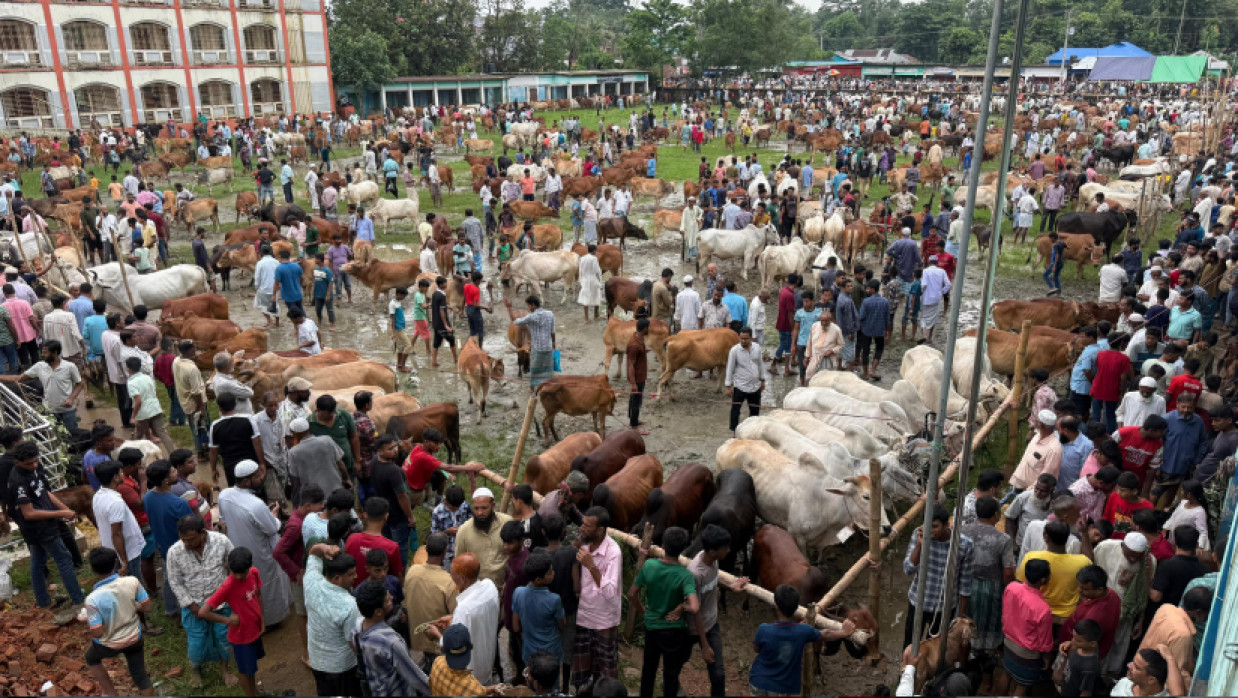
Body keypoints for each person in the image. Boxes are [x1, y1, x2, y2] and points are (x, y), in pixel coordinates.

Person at [166, 514, 240, 689]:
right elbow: (175, 582)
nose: (187, 543)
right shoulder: (174, 552)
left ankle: (225, 670)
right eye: (183, 539)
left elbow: (234, 565)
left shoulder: (221, 541)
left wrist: (232, 592)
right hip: (194, 607)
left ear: (202, 532)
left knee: (223, 639)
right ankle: (196, 669)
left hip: (221, 605)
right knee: (196, 644)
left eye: (191, 539)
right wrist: (191, 606)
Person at [629, 526, 704, 698]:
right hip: (673, 630)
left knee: (648, 669)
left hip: (651, 627)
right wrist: (683, 607)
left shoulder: (649, 566)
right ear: (683, 549)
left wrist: (642, 610)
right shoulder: (684, 575)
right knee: (671, 674)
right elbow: (695, 607)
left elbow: (632, 594)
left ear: (662, 546)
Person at [217, 460, 292, 626]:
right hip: (261, 552)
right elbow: (272, 528)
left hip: (238, 547)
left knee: (248, 587)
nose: (261, 478)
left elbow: (223, 520)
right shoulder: (256, 505)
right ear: (246, 481)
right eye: (257, 476)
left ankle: (253, 617)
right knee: (267, 586)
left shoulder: (224, 495)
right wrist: (273, 514)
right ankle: (271, 621)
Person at [749, 584, 855, 697]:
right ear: (797, 607)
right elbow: (826, 634)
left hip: (758, 682)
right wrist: (844, 632)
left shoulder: (763, 629)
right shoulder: (802, 631)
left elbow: (756, 649)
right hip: (782, 688)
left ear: (776, 606)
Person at [83, 547, 155, 697]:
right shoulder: (132, 581)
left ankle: (111, 693)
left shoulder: (92, 599)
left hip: (109, 644)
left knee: (91, 658)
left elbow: (97, 632)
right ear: (116, 563)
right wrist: (136, 606)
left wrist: (88, 620)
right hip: (134, 637)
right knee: (140, 676)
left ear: (92, 570)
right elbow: (148, 607)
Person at [687, 524, 748, 697]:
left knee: (718, 675)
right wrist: (704, 646)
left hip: (711, 623)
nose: (728, 550)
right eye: (725, 548)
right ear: (714, 551)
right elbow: (695, 611)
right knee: (678, 661)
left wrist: (730, 586)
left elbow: (713, 581)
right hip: (693, 628)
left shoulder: (712, 560)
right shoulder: (695, 573)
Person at [199, 547, 265, 697]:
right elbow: (203, 612)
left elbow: (259, 596)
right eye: (236, 573)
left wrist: (262, 621)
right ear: (229, 568)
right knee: (244, 671)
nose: (240, 576)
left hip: (254, 630)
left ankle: (255, 691)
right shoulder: (228, 586)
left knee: (251, 668)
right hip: (241, 637)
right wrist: (228, 620)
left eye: (243, 572)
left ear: (249, 567)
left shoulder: (254, 573)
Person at [904, 505, 973, 648]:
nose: (930, 530)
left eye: (934, 526)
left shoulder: (964, 544)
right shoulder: (919, 535)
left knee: (936, 646)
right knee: (910, 644)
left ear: (947, 525)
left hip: (945, 606)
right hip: (918, 601)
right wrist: (919, 545)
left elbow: (965, 583)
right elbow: (908, 569)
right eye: (927, 525)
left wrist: (961, 615)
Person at [303, 541, 364, 695]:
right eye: (351, 574)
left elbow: (313, 553)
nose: (355, 577)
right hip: (342, 668)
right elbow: (354, 643)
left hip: (316, 661)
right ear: (337, 578)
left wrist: (323, 548)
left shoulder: (311, 582)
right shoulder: (349, 605)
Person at [573, 506, 623, 692]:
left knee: (606, 669)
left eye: (587, 526)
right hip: (585, 615)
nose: (582, 528)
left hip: (604, 619)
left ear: (600, 530)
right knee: (585, 667)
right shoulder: (584, 543)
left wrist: (592, 566)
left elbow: (610, 592)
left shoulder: (613, 552)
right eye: (583, 524)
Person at [354, 578, 431, 696]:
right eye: (387, 600)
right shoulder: (391, 642)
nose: (392, 598)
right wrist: (439, 690)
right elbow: (415, 678)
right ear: (378, 612)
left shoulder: (357, 626)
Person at [960, 495, 1015, 659]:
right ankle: (986, 655)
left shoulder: (963, 530)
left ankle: (965, 652)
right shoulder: (1003, 539)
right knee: (989, 622)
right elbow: (1008, 572)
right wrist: (1007, 591)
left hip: (965, 585)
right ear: (996, 515)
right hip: (991, 588)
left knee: (965, 618)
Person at [142, 460, 193, 616]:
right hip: (180, 547)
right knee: (184, 579)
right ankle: (180, 608)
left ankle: (170, 608)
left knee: (169, 578)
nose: (175, 472)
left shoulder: (149, 497)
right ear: (165, 481)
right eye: (172, 471)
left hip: (162, 545)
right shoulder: (179, 504)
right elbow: (191, 529)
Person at [1016, 520, 1093, 623]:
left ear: (1045, 537)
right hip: (1065, 618)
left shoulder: (1032, 557)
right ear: (1067, 538)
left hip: (1036, 613)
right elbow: (1090, 561)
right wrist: (1084, 533)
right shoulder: (1081, 562)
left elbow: (1021, 582)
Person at [0, 340, 83, 431]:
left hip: (68, 411)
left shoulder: (69, 367)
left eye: (45, 353)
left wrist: (71, 399)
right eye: (42, 352)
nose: (42, 355)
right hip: (50, 411)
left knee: (73, 433)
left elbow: (79, 384)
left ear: (55, 353)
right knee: (55, 435)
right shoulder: (39, 366)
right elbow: (18, 378)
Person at [404, 532, 459, 668]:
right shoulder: (449, 581)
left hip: (417, 634)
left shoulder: (412, 571)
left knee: (429, 661)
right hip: (437, 637)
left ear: (426, 549)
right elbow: (456, 614)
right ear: (445, 552)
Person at [1002, 558, 1054, 696]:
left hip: (1008, 642)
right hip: (1026, 653)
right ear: (1043, 580)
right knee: (1022, 685)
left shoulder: (1011, 587)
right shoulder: (1043, 609)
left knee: (1006, 674)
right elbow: (1045, 640)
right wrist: (1046, 657)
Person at [1152, 393, 1209, 509]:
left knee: (1174, 490)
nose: (1186, 410)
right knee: (1156, 491)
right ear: (1177, 405)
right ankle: (1148, 513)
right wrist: (1156, 466)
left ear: (1194, 407)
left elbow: (1203, 442)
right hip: (1166, 465)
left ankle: (1164, 512)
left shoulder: (1198, 422)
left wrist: (1197, 460)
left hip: (1186, 466)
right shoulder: (1167, 419)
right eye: (1183, 407)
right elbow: (1157, 443)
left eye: (1190, 407)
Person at [454, 488, 513, 591]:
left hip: (505, 589)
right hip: (477, 593)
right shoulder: (464, 531)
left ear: (493, 506)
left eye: (484, 508)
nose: (480, 512)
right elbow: (459, 564)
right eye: (476, 508)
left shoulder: (507, 523)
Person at [208, 393, 264, 487]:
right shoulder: (248, 419)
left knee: (236, 492)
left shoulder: (215, 425)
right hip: (251, 463)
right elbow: (257, 442)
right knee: (257, 490)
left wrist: (213, 469)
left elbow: (213, 451)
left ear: (220, 408)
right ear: (235, 405)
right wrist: (262, 463)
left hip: (231, 467)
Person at [504, 295, 556, 389]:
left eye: (528, 305)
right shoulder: (550, 314)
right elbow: (552, 331)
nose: (528, 307)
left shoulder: (532, 317)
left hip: (537, 348)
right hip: (548, 346)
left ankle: (532, 388)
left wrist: (509, 308)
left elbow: (515, 321)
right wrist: (554, 343)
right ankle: (548, 385)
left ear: (532, 305)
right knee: (548, 367)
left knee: (535, 369)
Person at [429, 624, 489, 696]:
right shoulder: (475, 691)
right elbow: (475, 692)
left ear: (443, 650)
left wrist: (487, 690)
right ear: (471, 647)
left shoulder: (437, 662)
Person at [1053, 618, 1103, 698]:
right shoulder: (1083, 648)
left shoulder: (1089, 668)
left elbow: (1086, 693)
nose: (1073, 641)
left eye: (1078, 640)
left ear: (1093, 644)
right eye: (1073, 637)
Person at [1111, 647, 1184, 698]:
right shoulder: (1124, 682)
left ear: (1151, 680)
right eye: (1133, 662)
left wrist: (1170, 658)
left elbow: (1178, 694)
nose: (1129, 665)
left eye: (1136, 667)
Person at [855, 279, 889, 380]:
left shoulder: (866, 302)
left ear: (873, 289)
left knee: (865, 351)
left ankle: (865, 374)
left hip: (866, 330)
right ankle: (873, 370)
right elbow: (887, 319)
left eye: (868, 289)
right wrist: (887, 332)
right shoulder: (885, 301)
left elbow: (861, 317)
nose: (867, 290)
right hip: (880, 330)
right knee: (879, 349)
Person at [920, 255, 951, 343]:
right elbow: (948, 284)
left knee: (924, 316)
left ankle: (924, 335)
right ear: (937, 263)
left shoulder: (926, 271)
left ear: (929, 262)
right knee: (933, 317)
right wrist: (942, 292)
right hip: (936, 298)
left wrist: (920, 293)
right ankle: (930, 336)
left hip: (926, 297)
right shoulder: (942, 271)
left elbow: (924, 284)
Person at [627, 318, 650, 435]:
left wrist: (644, 352)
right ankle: (634, 426)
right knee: (636, 401)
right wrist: (633, 383)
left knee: (636, 399)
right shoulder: (634, 344)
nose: (649, 329)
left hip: (640, 375)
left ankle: (633, 419)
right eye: (648, 327)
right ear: (645, 328)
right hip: (637, 377)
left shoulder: (639, 338)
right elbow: (630, 364)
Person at [578, 244, 604, 322]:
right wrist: (600, 281)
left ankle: (586, 318)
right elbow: (597, 271)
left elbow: (580, 270)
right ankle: (596, 315)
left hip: (585, 280)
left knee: (586, 298)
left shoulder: (582, 258)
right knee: (596, 296)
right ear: (594, 251)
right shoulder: (594, 259)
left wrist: (581, 280)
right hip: (593, 279)